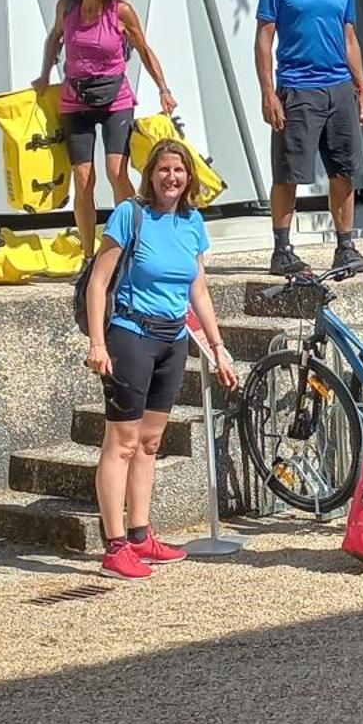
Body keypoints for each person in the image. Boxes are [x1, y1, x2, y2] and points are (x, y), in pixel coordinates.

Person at [83, 138, 236, 580]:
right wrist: (97, 342)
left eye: (180, 171)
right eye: (164, 170)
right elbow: (99, 282)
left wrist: (218, 345)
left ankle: (140, 534)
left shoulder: (192, 223)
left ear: (190, 178)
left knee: (150, 443)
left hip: (174, 340)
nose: (172, 178)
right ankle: (113, 545)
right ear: (151, 174)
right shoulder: (131, 214)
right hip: (131, 336)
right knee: (121, 443)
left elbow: (199, 290)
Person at [256, 0, 363, 278]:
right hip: (296, 88)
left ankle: (345, 247)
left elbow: (350, 38)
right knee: (288, 173)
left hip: (339, 88)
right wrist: (268, 93)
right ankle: (282, 249)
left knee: (344, 170)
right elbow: (263, 41)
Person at [37, 0, 178, 259]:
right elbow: (54, 38)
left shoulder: (120, 10)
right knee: (83, 177)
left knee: (116, 172)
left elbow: (144, 48)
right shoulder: (66, 7)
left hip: (116, 98)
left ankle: (134, 243)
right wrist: (45, 74)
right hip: (76, 99)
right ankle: (88, 256)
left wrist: (163, 88)